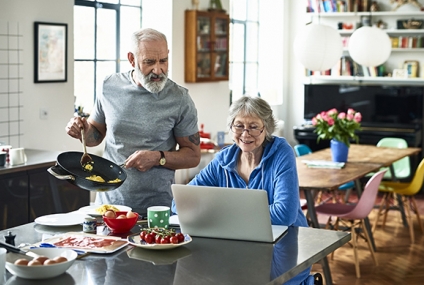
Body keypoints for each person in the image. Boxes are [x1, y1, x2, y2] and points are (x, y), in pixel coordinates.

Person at [172, 96, 314, 285]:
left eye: (254, 126)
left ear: (267, 128)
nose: (245, 134)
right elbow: (180, 204)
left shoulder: (281, 152)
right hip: (239, 251)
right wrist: (236, 217)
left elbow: (285, 213)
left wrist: (220, 214)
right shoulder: (223, 160)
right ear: (231, 128)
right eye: (239, 126)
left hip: (284, 250)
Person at [66, 28, 201, 215]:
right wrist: (81, 130)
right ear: (131, 59)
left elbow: (193, 156)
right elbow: (95, 136)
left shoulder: (179, 99)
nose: (158, 70)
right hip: (108, 205)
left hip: (156, 208)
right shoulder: (109, 86)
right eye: (149, 62)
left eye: (163, 61)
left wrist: (157, 158)